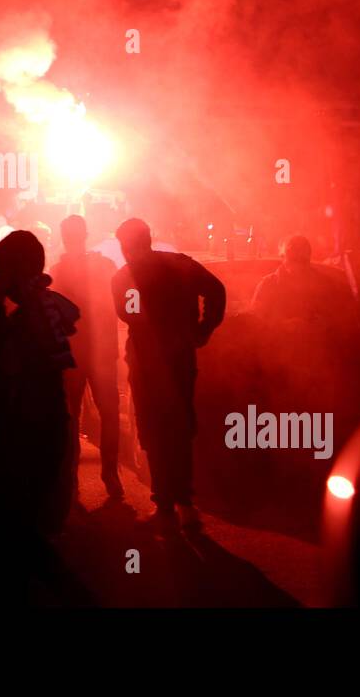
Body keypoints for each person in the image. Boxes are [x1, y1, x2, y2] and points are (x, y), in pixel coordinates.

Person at [111, 218, 226, 531]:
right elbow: (216, 290)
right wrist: (203, 329)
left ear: (127, 246)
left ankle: (166, 503)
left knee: (153, 429)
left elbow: (127, 313)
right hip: (177, 360)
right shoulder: (179, 265)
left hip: (148, 363)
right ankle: (182, 502)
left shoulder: (124, 277)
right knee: (177, 427)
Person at [0, 230, 80, 544]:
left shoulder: (34, 314)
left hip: (29, 424)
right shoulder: (47, 305)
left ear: (17, 274)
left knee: (20, 523)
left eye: (2, 272)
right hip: (43, 421)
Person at [49, 215, 123, 501]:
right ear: (86, 234)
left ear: (64, 236)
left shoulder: (57, 271)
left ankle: (71, 480)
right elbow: (121, 301)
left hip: (72, 354)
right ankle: (111, 475)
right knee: (110, 415)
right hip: (102, 351)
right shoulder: (104, 265)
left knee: (71, 417)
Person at [251, 234, 352, 330]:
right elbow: (255, 323)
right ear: (283, 257)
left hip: (314, 345)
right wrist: (282, 326)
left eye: (302, 259)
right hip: (277, 345)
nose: (298, 263)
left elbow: (340, 322)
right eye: (294, 257)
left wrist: (318, 325)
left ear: (308, 258)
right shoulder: (268, 285)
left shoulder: (324, 285)